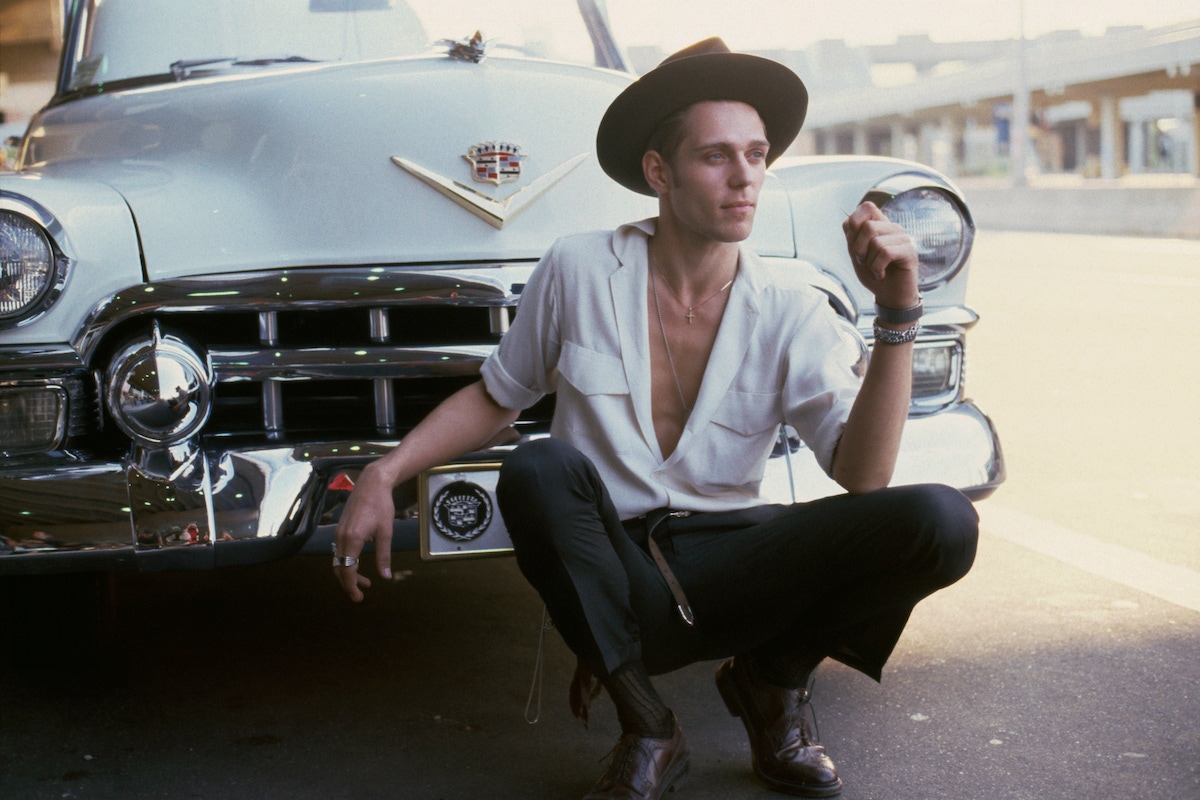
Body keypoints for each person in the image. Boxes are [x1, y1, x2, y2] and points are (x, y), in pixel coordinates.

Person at [333, 37, 979, 800]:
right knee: (536, 466)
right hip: (616, 569)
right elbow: (496, 397)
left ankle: (773, 684)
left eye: (757, 154)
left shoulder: (791, 307)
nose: (744, 178)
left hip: (740, 563)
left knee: (940, 521)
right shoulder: (578, 269)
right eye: (715, 157)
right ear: (658, 173)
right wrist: (386, 470)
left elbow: (863, 473)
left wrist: (897, 313)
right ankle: (648, 725)